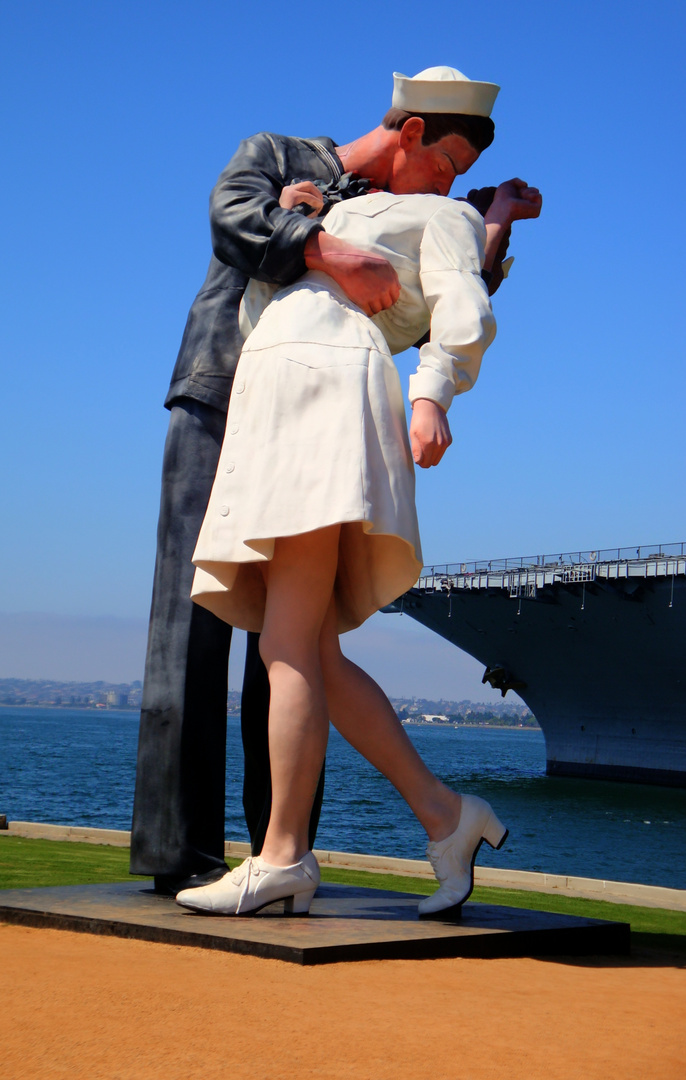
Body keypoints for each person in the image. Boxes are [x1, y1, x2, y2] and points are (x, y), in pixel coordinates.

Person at [131, 66, 503, 897]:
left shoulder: (436, 212)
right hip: (253, 391)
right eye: (446, 165)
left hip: (317, 392)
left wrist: (432, 396)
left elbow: (454, 301)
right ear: (410, 135)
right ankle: (439, 816)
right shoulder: (300, 173)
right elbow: (237, 224)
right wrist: (309, 221)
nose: (454, 186)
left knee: (288, 642)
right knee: (284, 644)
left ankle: (284, 852)